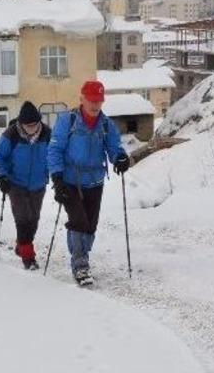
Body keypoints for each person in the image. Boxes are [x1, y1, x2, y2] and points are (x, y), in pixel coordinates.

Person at [47, 80, 131, 286]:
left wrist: (120, 158)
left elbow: (114, 148)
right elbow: (55, 150)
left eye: (99, 101)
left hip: (95, 181)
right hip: (69, 180)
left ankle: (82, 253)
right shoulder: (68, 121)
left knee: (90, 226)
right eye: (91, 100)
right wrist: (57, 178)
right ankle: (80, 265)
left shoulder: (106, 125)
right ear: (82, 99)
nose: (95, 105)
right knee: (79, 221)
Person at [0, 101, 51, 270]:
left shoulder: (47, 133)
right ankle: (28, 257)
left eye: (35, 124)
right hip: (15, 183)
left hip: (38, 183)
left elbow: (55, 154)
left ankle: (21, 245)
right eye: (28, 125)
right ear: (21, 123)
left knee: (34, 219)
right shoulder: (11, 135)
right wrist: (2, 177)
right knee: (23, 219)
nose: (32, 128)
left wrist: (56, 174)